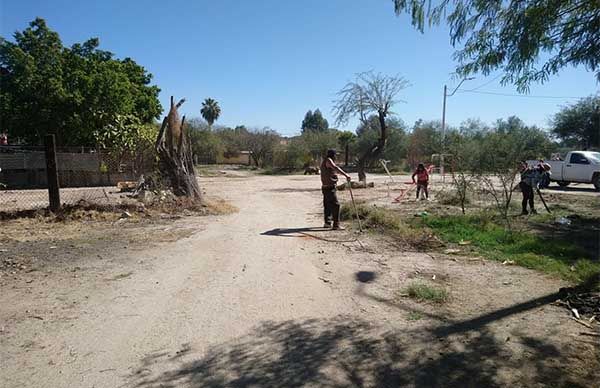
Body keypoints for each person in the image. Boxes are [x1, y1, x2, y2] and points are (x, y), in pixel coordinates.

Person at [320, 149, 351, 230]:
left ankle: (327, 223)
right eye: (335, 155)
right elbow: (335, 167)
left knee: (327, 205)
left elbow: (332, 171)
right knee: (336, 205)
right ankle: (336, 225)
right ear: (333, 155)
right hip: (329, 188)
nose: (336, 157)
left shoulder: (325, 161)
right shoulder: (329, 160)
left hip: (325, 187)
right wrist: (346, 175)